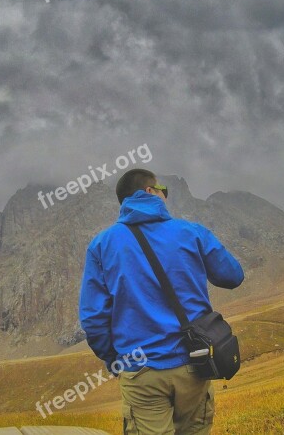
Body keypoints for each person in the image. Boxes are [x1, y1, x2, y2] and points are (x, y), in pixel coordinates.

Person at [79, 168, 245, 434]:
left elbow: (93, 318)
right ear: (150, 192)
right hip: (195, 363)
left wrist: (115, 361)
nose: (165, 195)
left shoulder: (101, 245)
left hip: (141, 372)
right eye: (163, 190)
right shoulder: (192, 232)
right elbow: (233, 276)